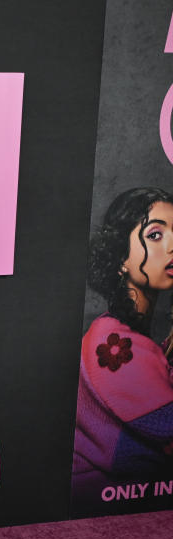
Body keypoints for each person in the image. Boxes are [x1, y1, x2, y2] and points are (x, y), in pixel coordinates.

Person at [73, 187, 173, 503]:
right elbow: (167, 430)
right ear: (120, 259)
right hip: (98, 506)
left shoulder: (130, 334)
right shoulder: (113, 342)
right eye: (155, 235)